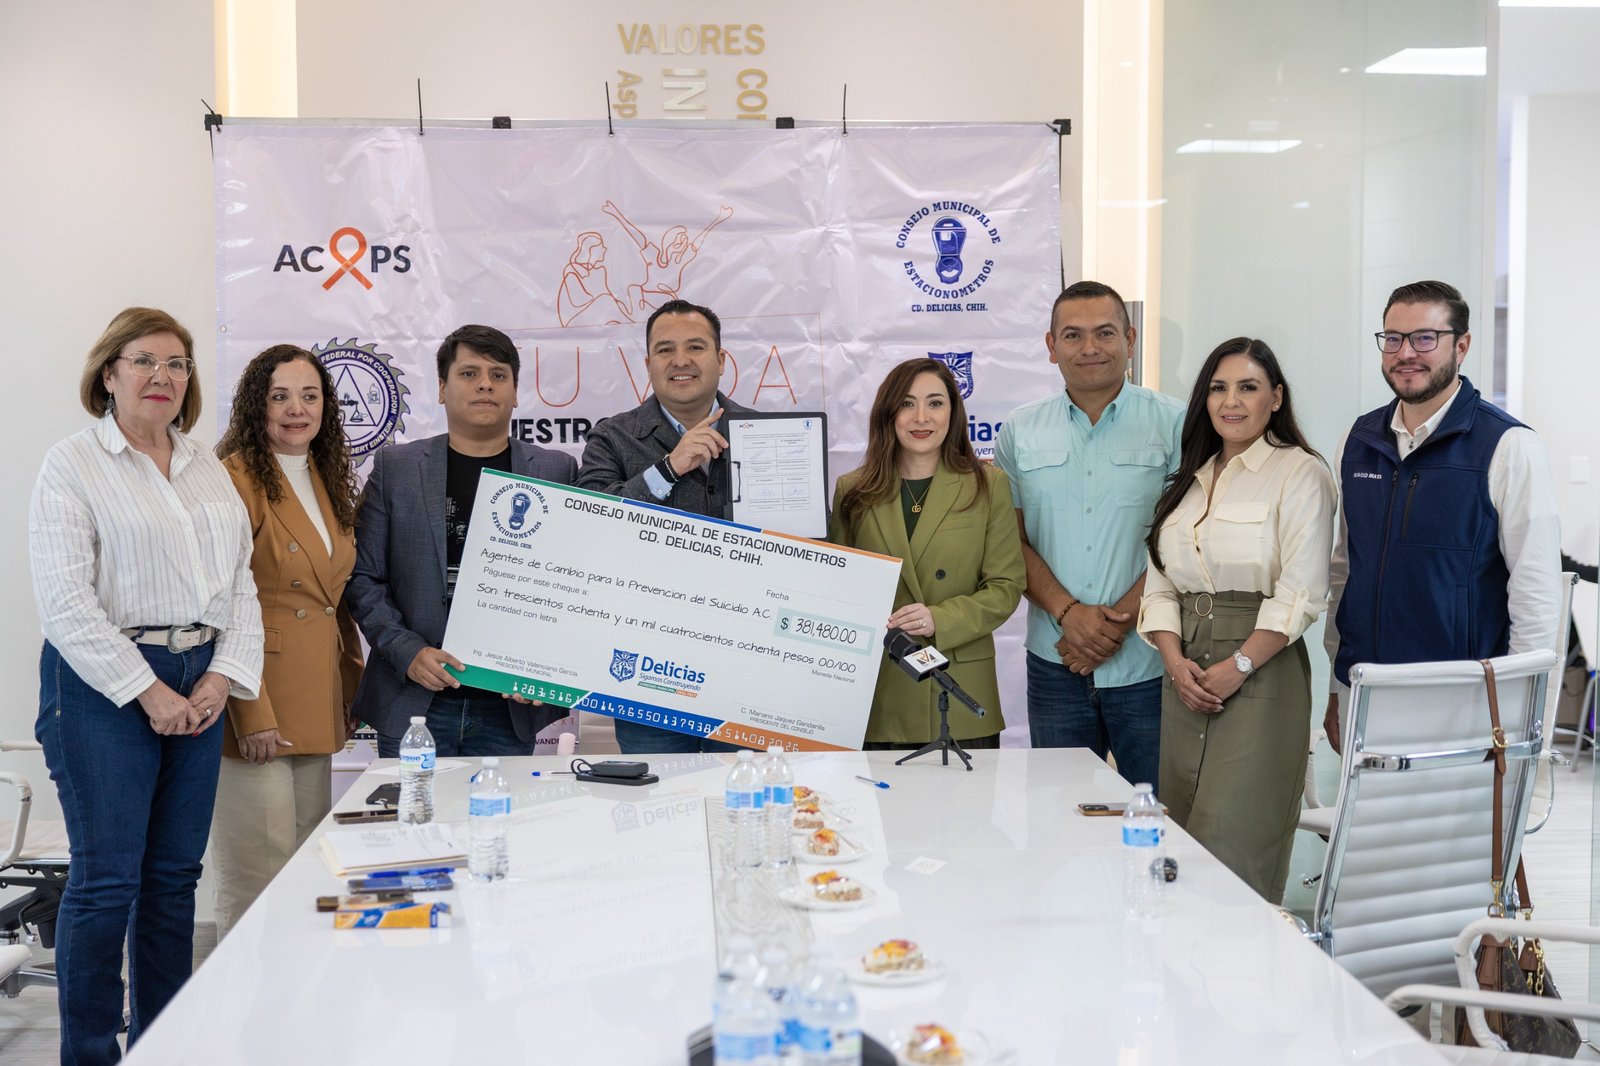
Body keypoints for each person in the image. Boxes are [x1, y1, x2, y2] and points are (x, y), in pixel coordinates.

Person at [28, 307, 264, 1063]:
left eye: (177, 364)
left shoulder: (205, 466)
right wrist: (147, 691)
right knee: (106, 881)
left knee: (173, 879)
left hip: (200, 677)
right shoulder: (72, 464)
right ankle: (90, 1054)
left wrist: (222, 676)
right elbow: (65, 603)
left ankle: (165, 1046)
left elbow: (240, 585)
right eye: (144, 361)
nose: (162, 376)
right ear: (109, 374)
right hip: (101, 684)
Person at [1324, 281, 1562, 752]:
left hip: (1463, 701)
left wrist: (1520, 719)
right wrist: (1336, 685)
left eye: (1424, 338)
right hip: (1364, 687)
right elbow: (1345, 572)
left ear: (1462, 345)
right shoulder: (1357, 441)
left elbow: (1535, 596)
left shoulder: (1510, 446)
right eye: (1393, 338)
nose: (1405, 353)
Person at [1137, 338, 1335, 902]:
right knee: (1180, 841)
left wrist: (1239, 664)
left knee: (1232, 844)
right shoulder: (1188, 479)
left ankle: (1247, 957)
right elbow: (1160, 584)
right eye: (1218, 388)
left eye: (1248, 387)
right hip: (1184, 676)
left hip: (1261, 668)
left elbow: (1301, 590)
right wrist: (1175, 665)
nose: (1231, 401)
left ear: (1276, 397)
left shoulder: (1300, 473)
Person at [346, 324, 577, 758]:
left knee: (500, 807)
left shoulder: (556, 471)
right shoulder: (396, 468)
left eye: (498, 375)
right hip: (415, 699)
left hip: (509, 705)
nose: (485, 384)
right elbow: (363, 578)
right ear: (441, 388)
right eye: (469, 373)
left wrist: (542, 664)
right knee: (414, 807)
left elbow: (573, 586)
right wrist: (409, 652)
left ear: (515, 392)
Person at [994, 281, 1183, 788]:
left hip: (1150, 661)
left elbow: (1187, 540)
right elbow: (1009, 541)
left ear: (1130, 338)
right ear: (1051, 345)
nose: (1090, 348)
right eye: (1073, 335)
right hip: (1055, 662)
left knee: (1159, 816)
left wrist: (1115, 625)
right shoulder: (1019, 430)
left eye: (1105, 332)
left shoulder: (1177, 423)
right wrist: (1069, 614)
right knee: (1058, 816)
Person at [209, 344, 364, 938]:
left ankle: (294, 995)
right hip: (258, 699)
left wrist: (347, 689)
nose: (297, 409)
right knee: (258, 879)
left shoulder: (327, 477)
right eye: (280, 396)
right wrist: (250, 712)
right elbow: (223, 604)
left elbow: (332, 602)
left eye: (309, 395)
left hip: (316, 696)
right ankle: (240, 994)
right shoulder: (234, 478)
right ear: (257, 405)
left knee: (304, 872)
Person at [576, 298, 752, 753]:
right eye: (665, 349)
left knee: (747, 791)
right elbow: (587, 524)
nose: (680, 360)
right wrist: (668, 468)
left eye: (695, 346)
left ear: (721, 359)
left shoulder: (769, 434)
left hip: (749, 664)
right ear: (648, 364)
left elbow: (809, 540)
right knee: (662, 793)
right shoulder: (612, 437)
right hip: (649, 668)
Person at [828, 359, 1024, 748]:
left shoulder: (988, 485)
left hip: (960, 692)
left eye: (935, 403)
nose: (921, 417)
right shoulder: (853, 490)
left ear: (953, 412)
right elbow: (839, 590)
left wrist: (940, 618)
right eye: (907, 403)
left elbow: (1006, 586)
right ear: (888, 413)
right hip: (882, 694)